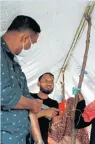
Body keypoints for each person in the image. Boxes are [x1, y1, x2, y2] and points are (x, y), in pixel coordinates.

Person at [1, 15, 42, 144]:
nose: (29, 47)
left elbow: (27, 100)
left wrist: (39, 140)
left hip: (21, 137)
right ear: (25, 38)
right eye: (31, 43)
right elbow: (3, 95)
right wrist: (33, 104)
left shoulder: (15, 66)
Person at [27, 72, 59, 144]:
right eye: (45, 80)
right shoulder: (29, 96)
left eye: (51, 81)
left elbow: (54, 126)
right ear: (38, 84)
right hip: (26, 139)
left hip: (43, 140)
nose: (49, 83)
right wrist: (44, 112)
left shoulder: (54, 103)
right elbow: (24, 118)